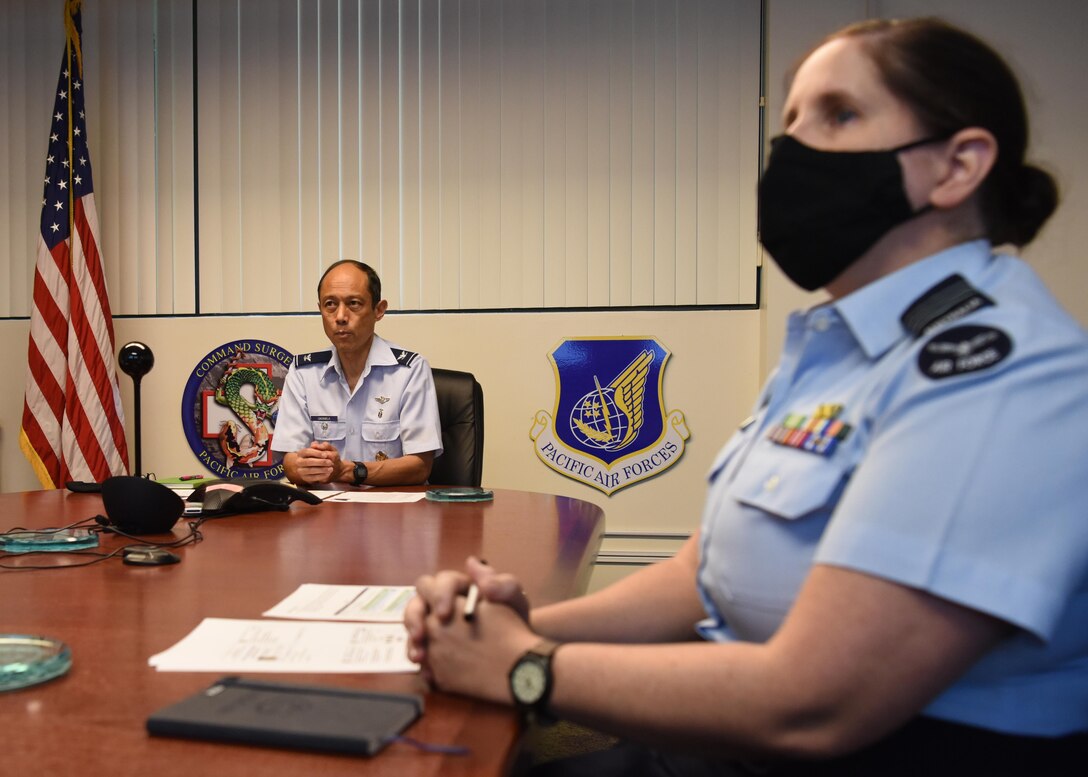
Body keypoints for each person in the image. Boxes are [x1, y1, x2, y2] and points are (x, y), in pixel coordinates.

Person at [405, 17, 1088, 775]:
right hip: (724, 739)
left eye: (839, 114)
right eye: (789, 122)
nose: (792, 150)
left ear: (957, 166)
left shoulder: (997, 373)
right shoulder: (841, 350)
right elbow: (701, 578)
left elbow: (817, 702)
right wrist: (524, 624)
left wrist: (522, 665)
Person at [272, 260, 443, 487]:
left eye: (353, 304)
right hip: (325, 507)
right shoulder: (304, 373)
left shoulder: (409, 370)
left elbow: (420, 466)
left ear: (379, 310)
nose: (340, 316)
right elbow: (290, 462)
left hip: (390, 506)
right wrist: (303, 466)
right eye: (330, 304)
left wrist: (347, 471)